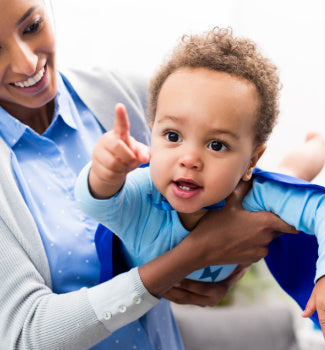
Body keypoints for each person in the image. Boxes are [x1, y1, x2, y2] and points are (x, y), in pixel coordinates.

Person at [0, 1, 307, 349]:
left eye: (32, 26)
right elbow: (24, 335)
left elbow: (235, 176)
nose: (26, 62)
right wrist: (192, 257)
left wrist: (227, 268)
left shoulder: (127, 95)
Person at [75, 28, 325, 348]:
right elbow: (96, 203)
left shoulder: (256, 193)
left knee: (290, 175)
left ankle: (316, 147)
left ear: (251, 158)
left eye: (216, 144)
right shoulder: (143, 192)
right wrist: (106, 173)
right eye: (173, 137)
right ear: (152, 133)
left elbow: (323, 208)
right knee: (284, 179)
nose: (189, 159)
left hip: (251, 186)